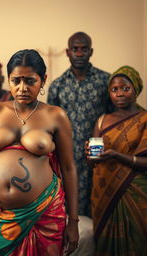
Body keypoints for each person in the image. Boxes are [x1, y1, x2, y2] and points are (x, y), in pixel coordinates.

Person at [0, 49, 79, 255]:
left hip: (45, 212)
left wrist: (73, 221)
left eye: (30, 81)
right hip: (2, 217)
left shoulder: (55, 115)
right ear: (8, 79)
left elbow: (69, 167)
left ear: (43, 80)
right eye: (16, 80)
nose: (22, 88)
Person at [47, 31, 111, 216]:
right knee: (67, 209)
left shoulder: (105, 81)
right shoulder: (58, 85)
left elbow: (115, 117)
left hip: (98, 157)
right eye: (75, 49)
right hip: (67, 157)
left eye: (84, 49)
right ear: (68, 52)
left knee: (99, 208)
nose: (80, 53)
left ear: (91, 52)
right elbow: (50, 125)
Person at [86, 66, 147, 255]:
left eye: (125, 88)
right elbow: (92, 163)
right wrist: (89, 154)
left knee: (137, 241)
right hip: (104, 190)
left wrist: (117, 155)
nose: (119, 93)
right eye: (114, 90)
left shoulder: (144, 119)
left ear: (135, 89)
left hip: (136, 192)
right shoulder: (102, 120)